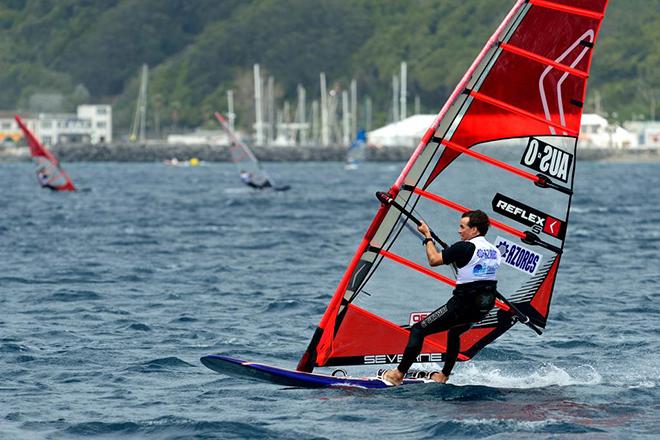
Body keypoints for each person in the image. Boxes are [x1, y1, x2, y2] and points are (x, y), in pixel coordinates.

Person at [381, 210, 501, 385]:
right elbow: (475, 270)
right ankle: (444, 375)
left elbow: (434, 259)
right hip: (484, 306)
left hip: (461, 306)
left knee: (418, 330)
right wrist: (453, 255)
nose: (459, 231)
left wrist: (427, 236)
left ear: (474, 230)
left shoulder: (464, 247)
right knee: (454, 332)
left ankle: (398, 374)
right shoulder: (494, 251)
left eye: (462, 227)